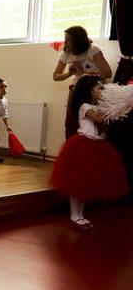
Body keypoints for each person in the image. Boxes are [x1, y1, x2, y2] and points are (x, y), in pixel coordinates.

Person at [49, 75, 128, 228]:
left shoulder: (102, 107)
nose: (104, 90)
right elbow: (98, 119)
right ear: (90, 91)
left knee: (86, 184)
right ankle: (74, 215)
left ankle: (81, 214)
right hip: (83, 146)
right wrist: (117, 107)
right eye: (100, 87)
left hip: (99, 147)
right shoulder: (85, 107)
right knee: (78, 183)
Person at [52, 25, 111, 139]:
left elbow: (107, 73)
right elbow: (56, 76)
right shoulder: (66, 54)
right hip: (76, 89)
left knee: (93, 124)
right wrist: (69, 73)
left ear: (78, 40)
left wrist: (84, 74)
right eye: (65, 39)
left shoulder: (92, 50)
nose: (65, 42)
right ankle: (73, 150)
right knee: (71, 122)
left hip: (94, 91)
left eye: (68, 39)